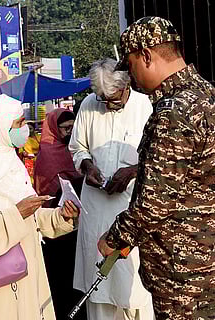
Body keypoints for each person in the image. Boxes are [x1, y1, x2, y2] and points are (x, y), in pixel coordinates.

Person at [97, 16, 215, 320]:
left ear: (146, 56)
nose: (130, 77)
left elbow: (153, 204)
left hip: (179, 273)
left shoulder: (173, 111)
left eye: (130, 65)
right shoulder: (207, 93)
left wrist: (114, 239)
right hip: (209, 262)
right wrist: (213, 180)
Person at [0, 94, 80, 320]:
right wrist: (16, 214)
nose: (24, 129)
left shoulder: (11, 161)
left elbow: (32, 219)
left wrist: (61, 216)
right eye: (18, 124)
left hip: (27, 271)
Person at [69, 58, 154, 320]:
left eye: (114, 99)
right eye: (102, 99)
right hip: (96, 206)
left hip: (132, 209)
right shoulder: (88, 105)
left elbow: (158, 157)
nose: (108, 105)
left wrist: (132, 171)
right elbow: (77, 146)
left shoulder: (145, 106)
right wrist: (87, 166)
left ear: (126, 87)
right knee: (98, 291)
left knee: (135, 291)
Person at [34, 108, 85, 320]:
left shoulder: (76, 150)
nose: (69, 132)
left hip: (77, 221)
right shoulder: (46, 152)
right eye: (65, 128)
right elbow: (43, 186)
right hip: (54, 223)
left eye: (73, 128)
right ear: (55, 128)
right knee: (60, 274)